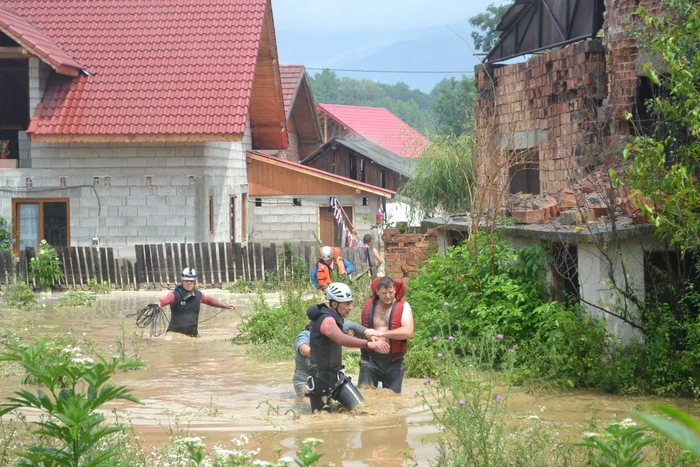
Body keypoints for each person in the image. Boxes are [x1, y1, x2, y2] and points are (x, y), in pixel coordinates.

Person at [306, 282, 389, 412]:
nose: (351, 307)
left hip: (336, 378)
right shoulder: (326, 320)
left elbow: (349, 326)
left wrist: (367, 333)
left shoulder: (336, 318)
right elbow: (341, 338)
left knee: (362, 409)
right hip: (320, 381)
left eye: (351, 303)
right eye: (347, 304)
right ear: (334, 304)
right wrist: (368, 344)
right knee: (324, 423)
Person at [358, 276, 414, 393]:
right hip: (370, 360)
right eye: (384, 293)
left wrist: (380, 333)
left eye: (391, 292)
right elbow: (363, 330)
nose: (388, 296)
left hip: (394, 361)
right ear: (377, 292)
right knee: (364, 397)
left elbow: (408, 332)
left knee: (393, 402)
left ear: (395, 290)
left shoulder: (404, 306)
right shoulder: (369, 305)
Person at [293, 320, 370, 398]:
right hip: (305, 381)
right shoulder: (305, 335)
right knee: (309, 404)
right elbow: (303, 349)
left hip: (329, 379)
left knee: (355, 402)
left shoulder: (333, 330)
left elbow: (351, 325)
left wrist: (369, 333)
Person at [154, 267, 236, 337]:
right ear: (182, 281)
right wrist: (157, 305)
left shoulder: (198, 295)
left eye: (191, 281)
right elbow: (162, 301)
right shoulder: (175, 295)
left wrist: (225, 306)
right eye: (186, 280)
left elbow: (210, 300)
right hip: (174, 335)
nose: (189, 283)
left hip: (193, 336)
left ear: (195, 282)